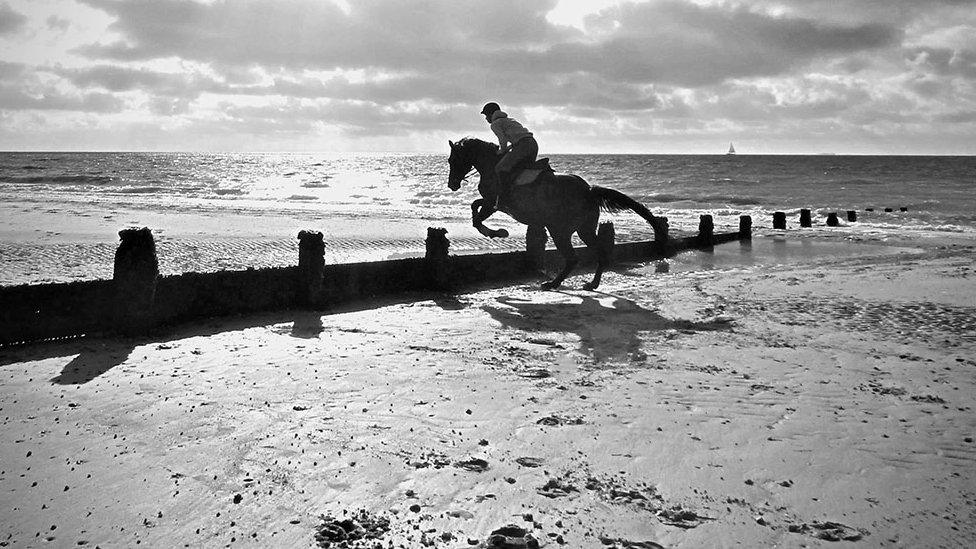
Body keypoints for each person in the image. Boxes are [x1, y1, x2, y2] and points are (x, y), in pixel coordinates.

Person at [481, 102, 538, 210]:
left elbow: (502, 140)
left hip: (523, 146)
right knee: (520, 169)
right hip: (533, 144)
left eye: (486, 116)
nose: (486, 119)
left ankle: (504, 198)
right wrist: (506, 149)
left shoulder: (495, 124)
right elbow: (515, 141)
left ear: (490, 114)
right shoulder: (510, 120)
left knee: (499, 168)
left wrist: (501, 151)